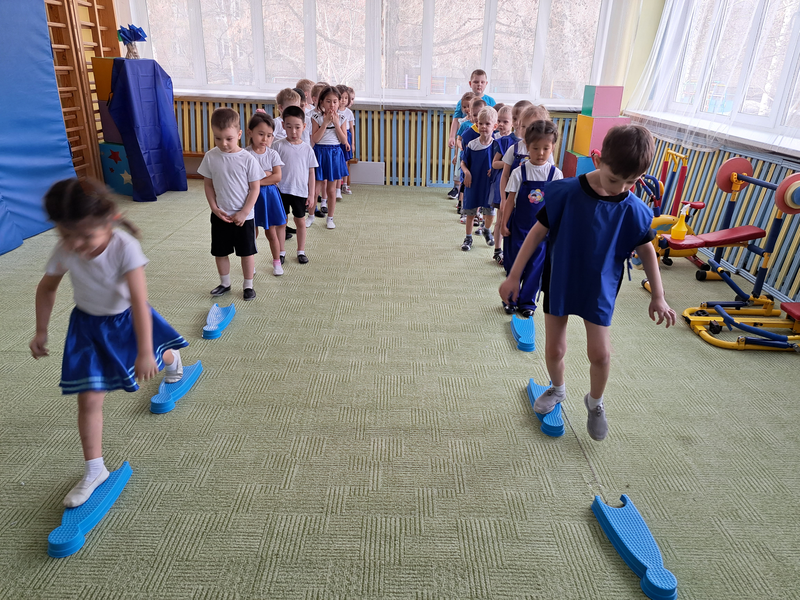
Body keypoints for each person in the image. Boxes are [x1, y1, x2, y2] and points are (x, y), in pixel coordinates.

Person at [499, 125, 677, 441]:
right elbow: (537, 234)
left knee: (601, 354)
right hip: (561, 281)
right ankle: (557, 389)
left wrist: (658, 296)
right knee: (555, 348)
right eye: (614, 179)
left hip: (599, 289)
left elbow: (647, 250)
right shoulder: (565, 193)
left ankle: (595, 402)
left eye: (632, 182)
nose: (622, 188)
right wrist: (514, 275)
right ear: (597, 161)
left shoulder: (633, 208)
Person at [30, 179, 189, 507]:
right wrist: (41, 331)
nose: (76, 245)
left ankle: (171, 359)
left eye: (86, 237)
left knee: (153, 359)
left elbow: (139, 301)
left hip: (127, 322)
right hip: (86, 329)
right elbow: (47, 288)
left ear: (108, 222)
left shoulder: (124, 247)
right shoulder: (67, 246)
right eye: (66, 235)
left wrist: (145, 350)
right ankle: (94, 469)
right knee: (88, 399)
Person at [198, 107, 263, 301]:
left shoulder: (248, 159)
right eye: (218, 138)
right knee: (220, 252)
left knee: (246, 253)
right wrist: (214, 208)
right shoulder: (211, 157)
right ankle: (225, 283)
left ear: (239, 134)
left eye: (229, 138)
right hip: (221, 215)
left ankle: (248, 285)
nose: (223, 143)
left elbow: (255, 189)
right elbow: (208, 185)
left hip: (244, 217)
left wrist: (244, 212)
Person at [499, 121, 563, 315]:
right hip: (518, 228)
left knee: (536, 267)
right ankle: (510, 300)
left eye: (546, 148)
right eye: (535, 148)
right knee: (514, 264)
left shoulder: (555, 174)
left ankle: (527, 303)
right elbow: (510, 200)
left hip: (542, 233)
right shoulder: (519, 172)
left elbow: (558, 206)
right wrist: (503, 224)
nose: (541, 153)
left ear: (553, 147)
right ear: (527, 146)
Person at [273, 105, 318, 264]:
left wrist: (311, 194)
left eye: (297, 127)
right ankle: (281, 252)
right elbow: (272, 169)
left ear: (304, 127)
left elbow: (311, 173)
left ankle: (301, 251)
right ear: (283, 125)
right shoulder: (277, 146)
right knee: (281, 222)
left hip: (300, 191)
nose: (293, 131)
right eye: (289, 127)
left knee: (300, 221)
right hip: (281, 191)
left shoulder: (307, 149)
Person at [245, 112, 287, 276]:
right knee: (252, 232)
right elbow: (244, 178)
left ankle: (277, 262)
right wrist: (266, 175)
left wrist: (256, 180)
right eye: (261, 134)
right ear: (250, 133)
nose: (265, 139)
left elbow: (277, 177)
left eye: (269, 135)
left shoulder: (272, 154)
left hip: (269, 197)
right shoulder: (246, 154)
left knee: (271, 232)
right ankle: (251, 264)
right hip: (251, 197)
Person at [446, 70, 496, 199]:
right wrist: (452, 137)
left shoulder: (490, 101)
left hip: (484, 140)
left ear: (486, 83)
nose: (479, 84)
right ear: (470, 83)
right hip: (466, 139)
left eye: (482, 82)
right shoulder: (462, 101)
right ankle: (457, 188)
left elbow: (494, 120)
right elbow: (456, 119)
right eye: (476, 82)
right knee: (461, 162)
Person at [309, 86, 349, 230]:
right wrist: (325, 123)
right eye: (328, 101)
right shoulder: (316, 117)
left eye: (335, 101)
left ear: (339, 102)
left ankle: (330, 218)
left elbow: (343, 140)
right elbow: (315, 139)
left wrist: (336, 124)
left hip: (334, 154)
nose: (332, 105)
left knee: (331, 190)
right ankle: (311, 216)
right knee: (315, 190)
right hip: (319, 153)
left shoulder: (342, 118)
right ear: (321, 102)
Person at [460, 106, 498, 251]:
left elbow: (502, 164)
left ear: (494, 126)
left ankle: (487, 230)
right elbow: (463, 162)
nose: (483, 127)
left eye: (487, 124)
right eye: (480, 123)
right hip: (473, 184)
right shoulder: (472, 144)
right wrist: (467, 173)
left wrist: (495, 169)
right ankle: (468, 237)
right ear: (476, 124)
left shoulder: (497, 146)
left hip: (489, 185)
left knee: (489, 213)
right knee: (470, 212)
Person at [489, 105, 515, 264]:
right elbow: (495, 163)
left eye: (505, 121)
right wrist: (509, 163)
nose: (501, 124)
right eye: (499, 121)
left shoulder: (524, 142)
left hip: (518, 187)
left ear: (513, 123)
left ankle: (512, 252)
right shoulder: (503, 142)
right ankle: (498, 250)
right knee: (500, 218)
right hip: (503, 185)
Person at [449, 91, 474, 204]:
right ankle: (460, 200)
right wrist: (456, 155)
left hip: (474, 154)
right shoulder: (463, 123)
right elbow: (459, 139)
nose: (467, 109)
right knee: (461, 176)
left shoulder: (479, 123)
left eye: (469, 106)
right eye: (464, 107)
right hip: (463, 153)